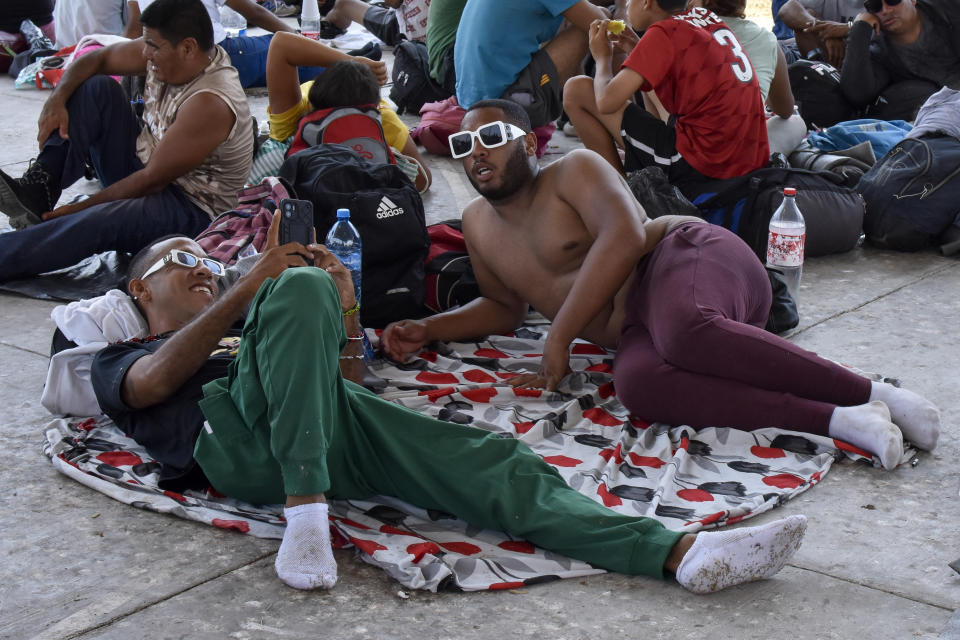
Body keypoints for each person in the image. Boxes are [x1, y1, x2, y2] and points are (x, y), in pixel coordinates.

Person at [88, 213, 808, 594]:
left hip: (330, 423)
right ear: (140, 292)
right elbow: (149, 388)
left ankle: (679, 554)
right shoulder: (120, 359)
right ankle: (305, 517)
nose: (207, 274)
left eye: (213, 264)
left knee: (496, 462)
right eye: (185, 262)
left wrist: (340, 313)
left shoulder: (252, 320)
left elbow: (350, 384)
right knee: (295, 285)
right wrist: (257, 285)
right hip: (238, 440)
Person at [381, 99, 942, 473]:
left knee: (687, 332)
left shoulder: (573, 170)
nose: (477, 151)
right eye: (463, 144)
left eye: (492, 137)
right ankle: (844, 421)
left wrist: (559, 339)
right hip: (636, 329)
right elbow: (502, 306)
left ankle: (873, 392)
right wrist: (427, 327)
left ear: (526, 141)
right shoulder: (477, 222)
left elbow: (625, 238)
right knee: (641, 386)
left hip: (687, 259)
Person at [0, 0, 253, 282]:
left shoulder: (210, 101)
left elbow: (150, 181)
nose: (146, 53)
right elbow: (97, 59)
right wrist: (56, 100)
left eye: (153, 46)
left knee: (98, 221)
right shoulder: (167, 53)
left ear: (188, 48)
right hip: (151, 169)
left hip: (192, 210)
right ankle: (40, 188)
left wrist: (81, 208)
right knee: (96, 89)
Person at [562, 0, 768, 189]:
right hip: (745, 158)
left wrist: (602, 58)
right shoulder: (704, 17)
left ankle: (622, 194)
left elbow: (606, 101)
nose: (625, 6)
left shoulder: (662, 33)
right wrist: (637, 48)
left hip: (703, 164)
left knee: (576, 90)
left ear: (646, 2)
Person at [262, 32, 431, 191]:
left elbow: (281, 43)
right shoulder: (381, 118)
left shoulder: (297, 112)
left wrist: (353, 61)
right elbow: (423, 180)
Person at [454, 0, 608, 129]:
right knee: (600, 24)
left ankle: (580, 114)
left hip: (469, 103)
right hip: (504, 107)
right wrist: (621, 7)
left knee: (571, 17)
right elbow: (607, 27)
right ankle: (617, 122)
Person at [132, 0, 324, 89]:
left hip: (169, 52)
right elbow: (255, 12)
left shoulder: (149, 54)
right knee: (284, 47)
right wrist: (298, 38)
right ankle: (341, 64)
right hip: (214, 54)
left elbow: (135, 24)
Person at [698, 0, 806, 156]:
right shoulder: (765, 39)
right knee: (795, 123)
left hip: (688, 150)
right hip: (740, 154)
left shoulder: (679, 33)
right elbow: (785, 110)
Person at [839, 0, 960, 121]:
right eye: (875, 6)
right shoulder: (879, 51)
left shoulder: (948, 8)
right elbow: (858, 94)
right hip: (942, 116)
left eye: (893, 1)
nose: (885, 10)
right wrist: (860, 27)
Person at [776, 0, 862, 68]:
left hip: (860, 63)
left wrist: (848, 28)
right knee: (807, 14)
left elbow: (871, 25)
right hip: (817, 53)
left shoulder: (873, 5)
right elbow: (787, 9)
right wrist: (824, 30)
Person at [319, 0, 430, 45]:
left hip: (410, 31)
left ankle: (320, 27)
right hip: (438, 29)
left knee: (344, 4)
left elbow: (393, 2)